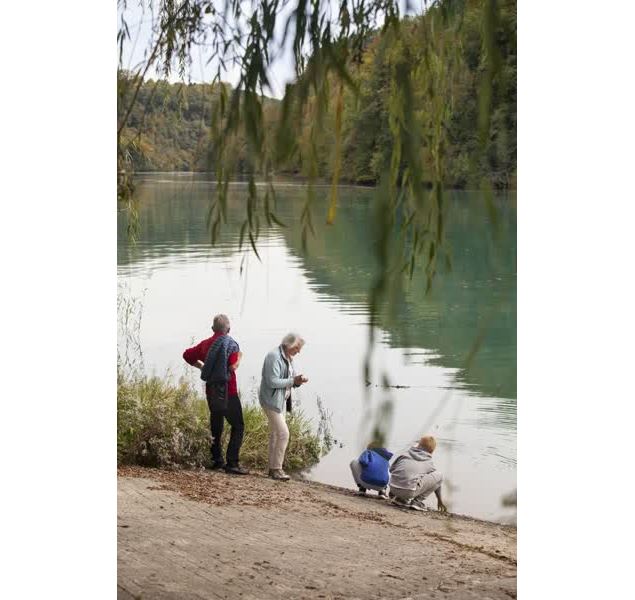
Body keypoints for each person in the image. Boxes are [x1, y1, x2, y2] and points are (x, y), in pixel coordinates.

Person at [182, 314, 248, 475]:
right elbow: (233, 366)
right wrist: (240, 357)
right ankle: (232, 463)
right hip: (228, 391)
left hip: (211, 391)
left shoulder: (205, 344)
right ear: (229, 329)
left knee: (216, 425)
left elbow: (187, 354)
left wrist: (202, 367)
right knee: (238, 426)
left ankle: (217, 460)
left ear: (213, 329)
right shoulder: (231, 344)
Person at [259, 333, 308, 481]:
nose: (299, 351)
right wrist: (293, 381)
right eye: (297, 348)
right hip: (271, 401)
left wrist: (297, 382)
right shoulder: (273, 356)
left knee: (275, 434)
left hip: (280, 401)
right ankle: (277, 469)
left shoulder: (288, 357)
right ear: (289, 345)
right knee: (284, 433)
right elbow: (272, 381)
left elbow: (288, 380)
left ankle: (271, 469)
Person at [389, 436, 447, 512]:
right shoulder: (428, 462)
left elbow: (391, 470)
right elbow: (436, 483)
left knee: (412, 476)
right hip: (409, 492)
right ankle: (417, 502)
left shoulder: (404, 455)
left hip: (393, 488)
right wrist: (439, 500)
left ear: (418, 445)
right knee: (440, 476)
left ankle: (400, 499)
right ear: (432, 451)